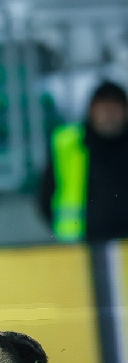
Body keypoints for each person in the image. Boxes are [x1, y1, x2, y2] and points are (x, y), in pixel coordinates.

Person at [40, 80, 128, 242]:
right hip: (80, 244)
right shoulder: (68, 144)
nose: (110, 115)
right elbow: (46, 196)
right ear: (91, 110)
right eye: (104, 108)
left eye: (115, 108)